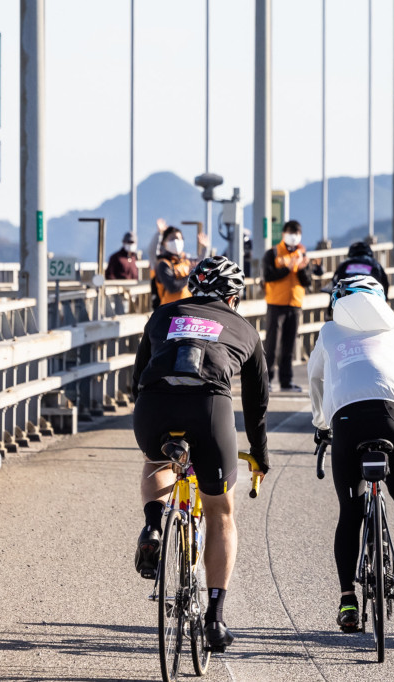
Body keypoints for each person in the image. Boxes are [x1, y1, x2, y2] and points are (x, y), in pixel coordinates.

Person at [131, 255, 270, 653]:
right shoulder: (244, 329)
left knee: (157, 461)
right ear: (234, 297)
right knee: (220, 513)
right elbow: (256, 405)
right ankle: (215, 618)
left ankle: (153, 525)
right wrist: (259, 454)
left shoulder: (163, 314)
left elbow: (137, 378)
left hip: (154, 406)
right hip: (209, 409)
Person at [308, 274, 394, 633]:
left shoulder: (329, 332)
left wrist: (322, 424)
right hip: (393, 415)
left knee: (350, 513)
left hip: (347, 420)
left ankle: (348, 601)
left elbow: (315, 379)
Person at [261, 221, 316, 392]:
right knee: (272, 344)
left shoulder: (302, 254)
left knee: (289, 345)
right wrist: (288, 268)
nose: (294, 236)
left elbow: (307, 281)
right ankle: (266, 380)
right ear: (284, 234)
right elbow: (268, 276)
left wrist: (302, 268)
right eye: (291, 233)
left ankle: (286, 381)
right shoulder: (273, 253)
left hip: (295, 304)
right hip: (276, 303)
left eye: (297, 233)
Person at [152, 226, 194, 305]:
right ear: (164, 243)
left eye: (179, 238)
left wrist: (205, 249)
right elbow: (172, 287)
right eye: (172, 239)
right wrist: (190, 276)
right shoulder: (163, 264)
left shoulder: (185, 261)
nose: (176, 241)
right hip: (170, 308)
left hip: (186, 306)